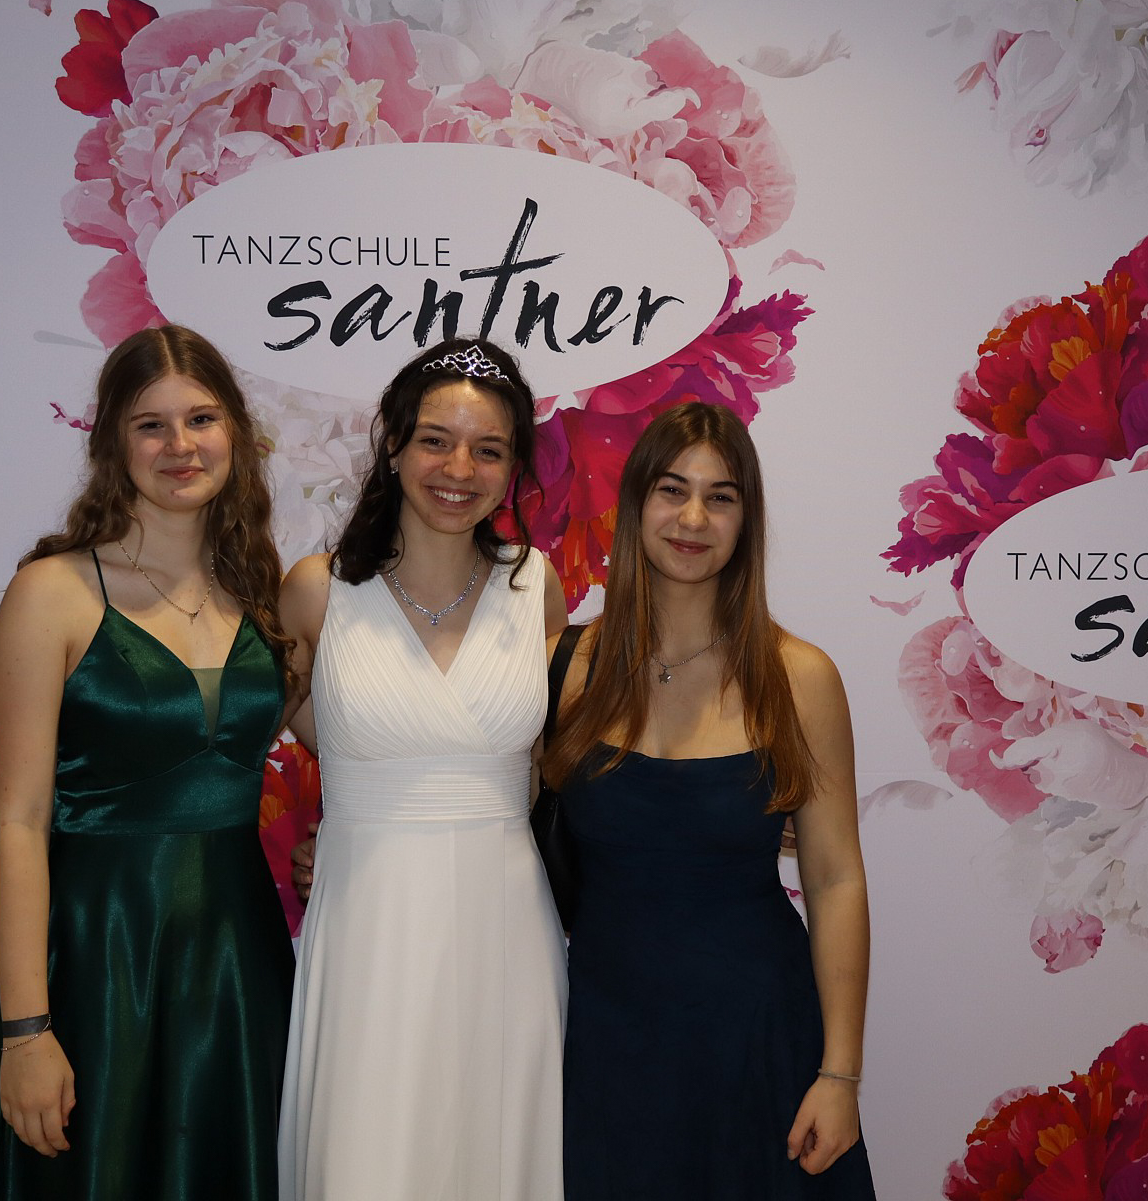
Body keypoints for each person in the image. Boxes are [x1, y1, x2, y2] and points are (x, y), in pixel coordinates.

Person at [0, 325, 296, 1201]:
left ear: (236, 432)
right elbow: (19, 821)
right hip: (95, 960)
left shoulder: (265, 594)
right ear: (114, 440)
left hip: (236, 963)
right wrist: (25, 1030)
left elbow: (350, 733)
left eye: (201, 419)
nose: (180, 445)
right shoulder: (52, 592)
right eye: (151, 425)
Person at [542, 402, 877, 1200]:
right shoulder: (562, 667)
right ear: (635, 504)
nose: (693, 518)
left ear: (745, 520)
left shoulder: (799, 677)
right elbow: (492, 822)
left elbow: (835, 879)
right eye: (672, 490)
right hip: (605, 1043)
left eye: (720, 497)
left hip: (759, 1041)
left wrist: (840, 1075)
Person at [276, 337, 568, 1201]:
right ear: (395, 444)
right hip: (370, 928)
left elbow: (563, 761)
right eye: (436, 440)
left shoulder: (538, 587)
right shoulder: (316, 590)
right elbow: (223, 729)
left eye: (489, 449)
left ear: (513, 468)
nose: (459, 469)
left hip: (505, 931)